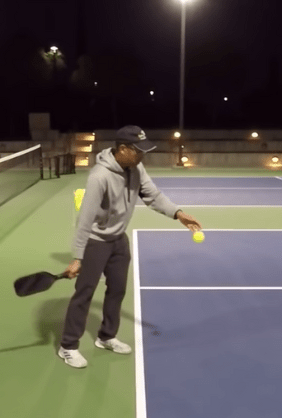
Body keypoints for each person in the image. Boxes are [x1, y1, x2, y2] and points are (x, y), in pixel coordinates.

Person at [58, 125, 202, 368]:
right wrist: (78, 257)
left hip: (118, 241)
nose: (142, 155)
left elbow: (152, 195)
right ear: (123, 149)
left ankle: (106, 336)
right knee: (84, 294)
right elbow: (85, 219)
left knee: (117, 290)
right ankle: (68, 346)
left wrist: (178, 213)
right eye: (138, 151)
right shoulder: (99, 177)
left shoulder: (136, 167)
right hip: (96, 242)